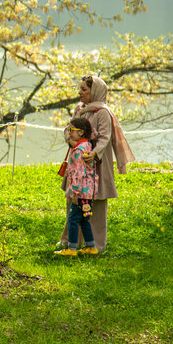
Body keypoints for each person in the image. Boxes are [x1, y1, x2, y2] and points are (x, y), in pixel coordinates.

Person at [58, 74, 134, 253]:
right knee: (74, 199)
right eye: (81, 89)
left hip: (97, 163)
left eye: (84, 89)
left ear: (95, 91)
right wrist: (70, 139)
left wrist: (94, 153)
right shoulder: (80, 109)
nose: (80, 92)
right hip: (78, 163)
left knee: (96, 202)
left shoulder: (103, 113)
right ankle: (70, 240)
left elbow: (105, 137)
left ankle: (96, 244)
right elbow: (69, 129)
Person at [57, 117, 98, 257]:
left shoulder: (78, 151)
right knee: (85, 219)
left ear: (80, 132)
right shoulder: (87, 146)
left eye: (71, 130)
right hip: (89, 192)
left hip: (79, 192)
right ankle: (91, 246)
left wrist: (75, 192)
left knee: (73, 219)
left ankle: (72, 248)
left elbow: (78, 173)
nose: (69, 133)